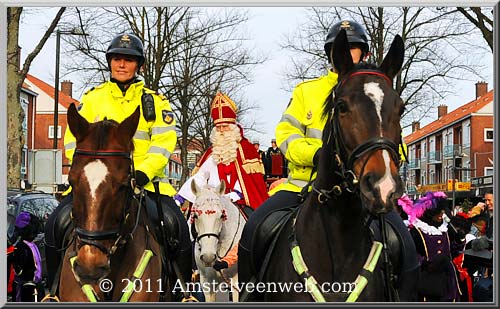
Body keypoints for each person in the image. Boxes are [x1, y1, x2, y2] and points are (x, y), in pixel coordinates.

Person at [238, 19, 418, 301]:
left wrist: (386, 165)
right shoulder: (305, 92)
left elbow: (395, 145)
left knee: (404, 244)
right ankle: (252, 295)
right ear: (331, 54)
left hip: (362, 188)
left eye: (355, 49)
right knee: (256, 228)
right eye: (342, 49)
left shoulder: (376, 93)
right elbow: (286, 135)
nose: (349, 54)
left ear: (365, 53)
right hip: (301, 184)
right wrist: (317, 154)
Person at [44, 33, 192, 298]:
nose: (121, 65)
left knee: (175, 225)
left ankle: (184, 292)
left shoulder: (156, 103)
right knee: (56, 222)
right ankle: (51, 289)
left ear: (139, 66)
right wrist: (90, 172)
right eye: (116, 59)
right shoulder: (91, 100)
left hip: (147, 185)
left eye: (129, 60)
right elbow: (72, 140)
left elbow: (164, 142)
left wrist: (142, 173)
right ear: (110, 62)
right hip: (96, 186)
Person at [175, 92, 268, 218]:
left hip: (239, 202)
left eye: (225, 126)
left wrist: (236, 194)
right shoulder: (212, 152)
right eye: (218, 127)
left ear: (233, 127)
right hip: (212, 201)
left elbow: (250, 183)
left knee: (253, 225)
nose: (222, 131)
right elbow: (201, 176)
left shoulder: (247, 150)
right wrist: (181, 195)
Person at [402, 191, 461, 302]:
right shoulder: (417, 231)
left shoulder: (445, 228)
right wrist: (429, 263)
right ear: (429, 212)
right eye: (439, 211)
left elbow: (454, 251)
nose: (442, 214)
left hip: (447, 279)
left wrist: (459, 240)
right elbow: (411, 256)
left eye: (443, 210)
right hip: (427, 279)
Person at [11, 212, 45, 302]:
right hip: (26, 290)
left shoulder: (32, 244)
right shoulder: (21, 247)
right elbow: (19, 270)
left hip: (36, 288)